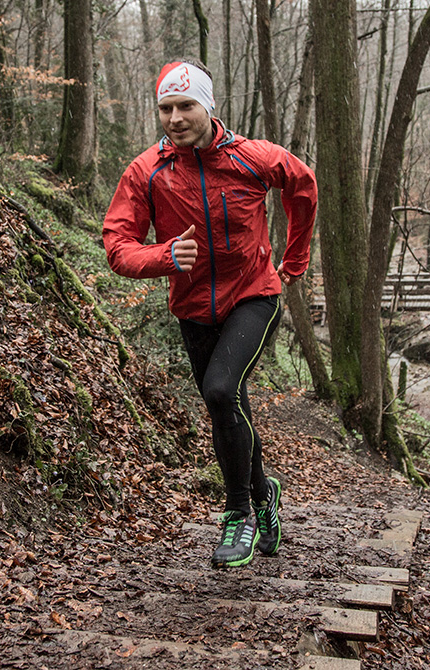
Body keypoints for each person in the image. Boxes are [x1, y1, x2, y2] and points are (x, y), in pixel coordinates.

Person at [103, 60, 317, 569]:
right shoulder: (146, 172)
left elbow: (303, 186)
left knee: (221, 391)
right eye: (165, 108)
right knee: (227, 405)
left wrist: (295, 259)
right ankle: (265, 493)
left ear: (208, 107)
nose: (175, 118)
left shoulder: (251, 158)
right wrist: (163, 258)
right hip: (194, 309)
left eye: (185, 106)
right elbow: (117, 245)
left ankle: (239, 512)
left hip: (254, 295)